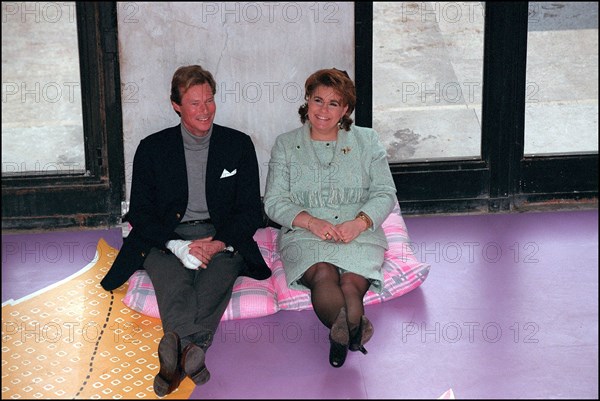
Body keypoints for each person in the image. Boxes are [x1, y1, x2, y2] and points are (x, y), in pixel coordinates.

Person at [100, 65, 271, 396]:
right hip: (167, 237)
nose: (204, 110)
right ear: (176, 105)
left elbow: (250, 210)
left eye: (209, 100)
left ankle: (175, 357)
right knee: (173, 280)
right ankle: (193, 352)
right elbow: (141, 213)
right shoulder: (152, 148)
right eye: (194, 103)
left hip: (219, 235)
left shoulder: (238, 145)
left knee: (217, 277)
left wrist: (220, 243)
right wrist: (177, 246)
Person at [264, 68, 397, 368]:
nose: (323, 110)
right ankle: (352, 332)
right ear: (307, 102)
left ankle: (341, 338)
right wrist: (311, 221)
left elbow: (385, 192)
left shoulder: (367, 140)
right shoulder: (285, 144)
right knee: (322, 273)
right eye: (318, 100)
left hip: (358, 230)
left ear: (345, 109)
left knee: (351, 282)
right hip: (304, 232)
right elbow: (273, 202)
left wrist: (360, 222)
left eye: (334, 103)